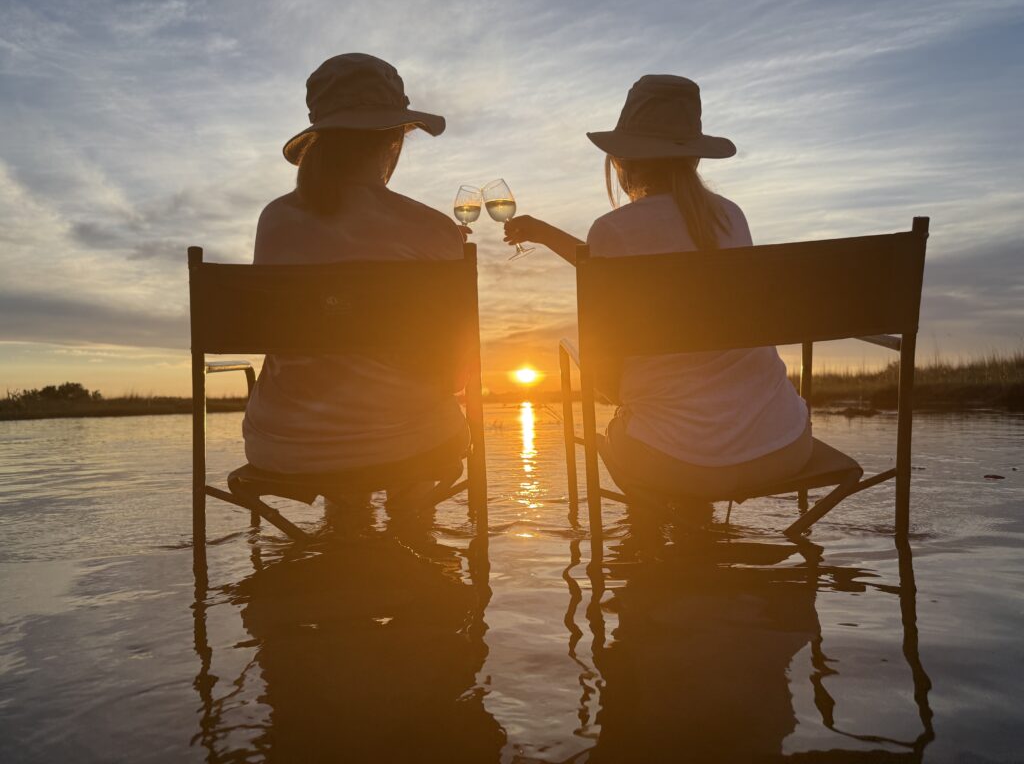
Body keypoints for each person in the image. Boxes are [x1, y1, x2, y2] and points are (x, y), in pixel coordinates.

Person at [503, 75, 811, 502]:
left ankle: (653, 557)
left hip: (672, 460)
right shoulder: (730, 218)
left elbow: (609, 341)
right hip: (782, 445)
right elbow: (631, 260)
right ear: (695, 158)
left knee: (626, 407)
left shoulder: (614, 230)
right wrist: (545, 233)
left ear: (624, 159)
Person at [242, 53, 468, 504]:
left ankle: (346, 535)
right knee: (416, 412)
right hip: (407, 443)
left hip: (283, 445)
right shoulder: (432, 228)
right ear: (394, 141)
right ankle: (413, 536)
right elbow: (455, 373)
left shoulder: (275, 219)